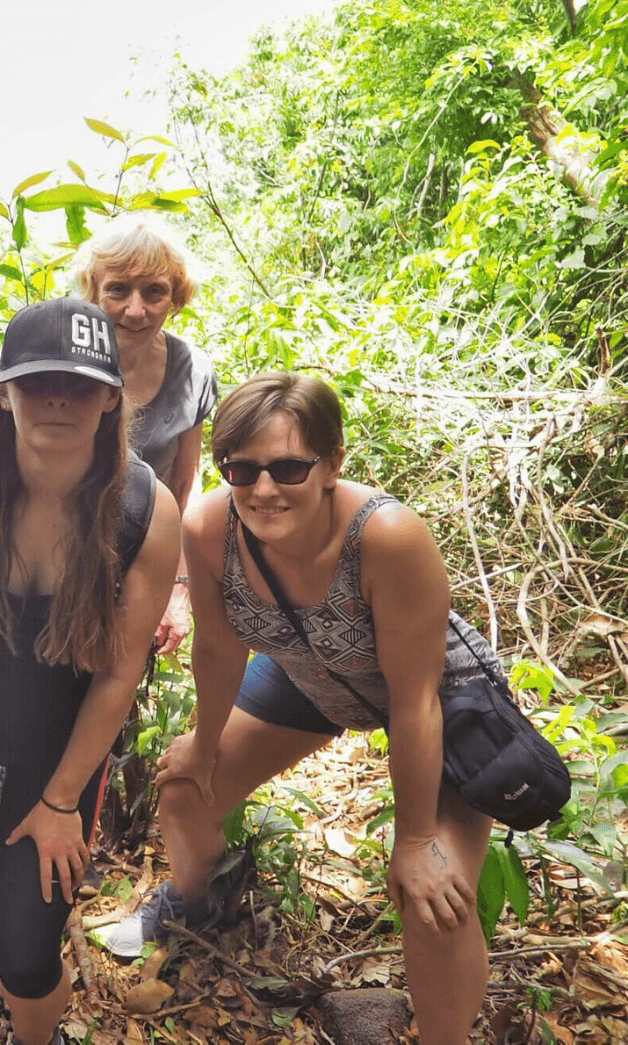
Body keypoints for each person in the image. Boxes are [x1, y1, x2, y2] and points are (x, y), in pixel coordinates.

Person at [117, 372, 495, 1045]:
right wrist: (203, 746)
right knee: (184, 791)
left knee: (433, 897)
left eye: (289, 467)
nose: (263, 489)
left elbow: (413, 703)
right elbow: (220, 650)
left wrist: (411, 843)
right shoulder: (210, 526)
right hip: (307, 673)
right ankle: (199, 910)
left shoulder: (387, 537)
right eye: (242, 468)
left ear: (333, 463)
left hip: (442, 697)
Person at [0, 298, 180, 1045]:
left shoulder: (144, 508)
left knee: (27, 949)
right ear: (7, 391)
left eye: (81, 385)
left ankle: (34, 1033)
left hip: (61, 740)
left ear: (113, 396)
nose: (59, 398)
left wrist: (60, 801)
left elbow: (120, 672)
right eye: (40, 380)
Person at [71, 214, 215, 656]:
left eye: (154, 291)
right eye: (119, 290)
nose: (136, 310)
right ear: (94, 291)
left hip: (142, 557)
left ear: (176, 298)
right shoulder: (65, 359)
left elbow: (183, 488)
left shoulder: (192, 370)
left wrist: (177, 586)